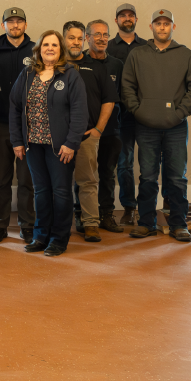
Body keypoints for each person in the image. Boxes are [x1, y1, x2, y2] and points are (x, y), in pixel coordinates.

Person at [121, 9, 191, 242]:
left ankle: (178, 223)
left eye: (167, 23)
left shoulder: (186, 55)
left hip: (176, 127)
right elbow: (127, 87)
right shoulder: (137, 54)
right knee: (147, 177)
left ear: (173, 27)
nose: (163, 27)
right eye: (158, 23)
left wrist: (179, 113)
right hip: (145, 127)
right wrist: (138, 110)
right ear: (151, 27)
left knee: (177, 178)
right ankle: (146, 222)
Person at [9, 30, 88, 257]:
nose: (50, 48)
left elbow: (80, 113)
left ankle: (58, 240)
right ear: (39, 49)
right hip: (33, 145)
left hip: (60, 147)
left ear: (61, 50)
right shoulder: (27, 74)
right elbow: (14, 107)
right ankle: (40, 236)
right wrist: (17, 141)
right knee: (41, 192)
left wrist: (72, 143)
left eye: (54, 45)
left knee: (61, 192)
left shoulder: (70, 75)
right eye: (46, 45)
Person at [63, 20, 117, 242]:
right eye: (71, 38)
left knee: (88, 181)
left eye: (79, 38)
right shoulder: (55, 65)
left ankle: (91, 224)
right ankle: (61, 224)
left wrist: (98, 129)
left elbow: (109, 99)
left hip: (87, 136)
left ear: (85, 39)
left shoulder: (96, 67)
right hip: (60, 138)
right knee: (60, 183)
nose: (75, 42)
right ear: (63, 39)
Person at [0, 7, 33, 242]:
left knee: (26, 180)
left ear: (25, 24)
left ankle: (27, 225)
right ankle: (0, 225)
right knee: (2, 179)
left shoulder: (36, 50)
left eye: (19, 21)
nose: (15, 26)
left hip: (28, 127)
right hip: (1, 124)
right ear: (3, 25)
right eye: (10, 22)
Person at [84, 19, 127, 233]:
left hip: (111, 130)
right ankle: (83, 216)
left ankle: (106, 215)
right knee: (85, 175)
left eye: (105, 35)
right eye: (97, 34)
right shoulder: (79, 62)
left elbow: (123, 95)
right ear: (87, 37)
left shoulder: (117, 65)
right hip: (84, 131)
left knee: (107, 174)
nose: (102, 39)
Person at [108, 3, 148, 225]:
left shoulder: (147, 46)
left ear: (136, 19)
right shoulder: (109, 47)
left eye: (130, 15)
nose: (126, 18)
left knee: (148, 163)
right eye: (122, 16)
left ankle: (146, 206)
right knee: (124, 163)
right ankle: (129, 207)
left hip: (145, 113)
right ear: (116, 20)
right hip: (120, 115)